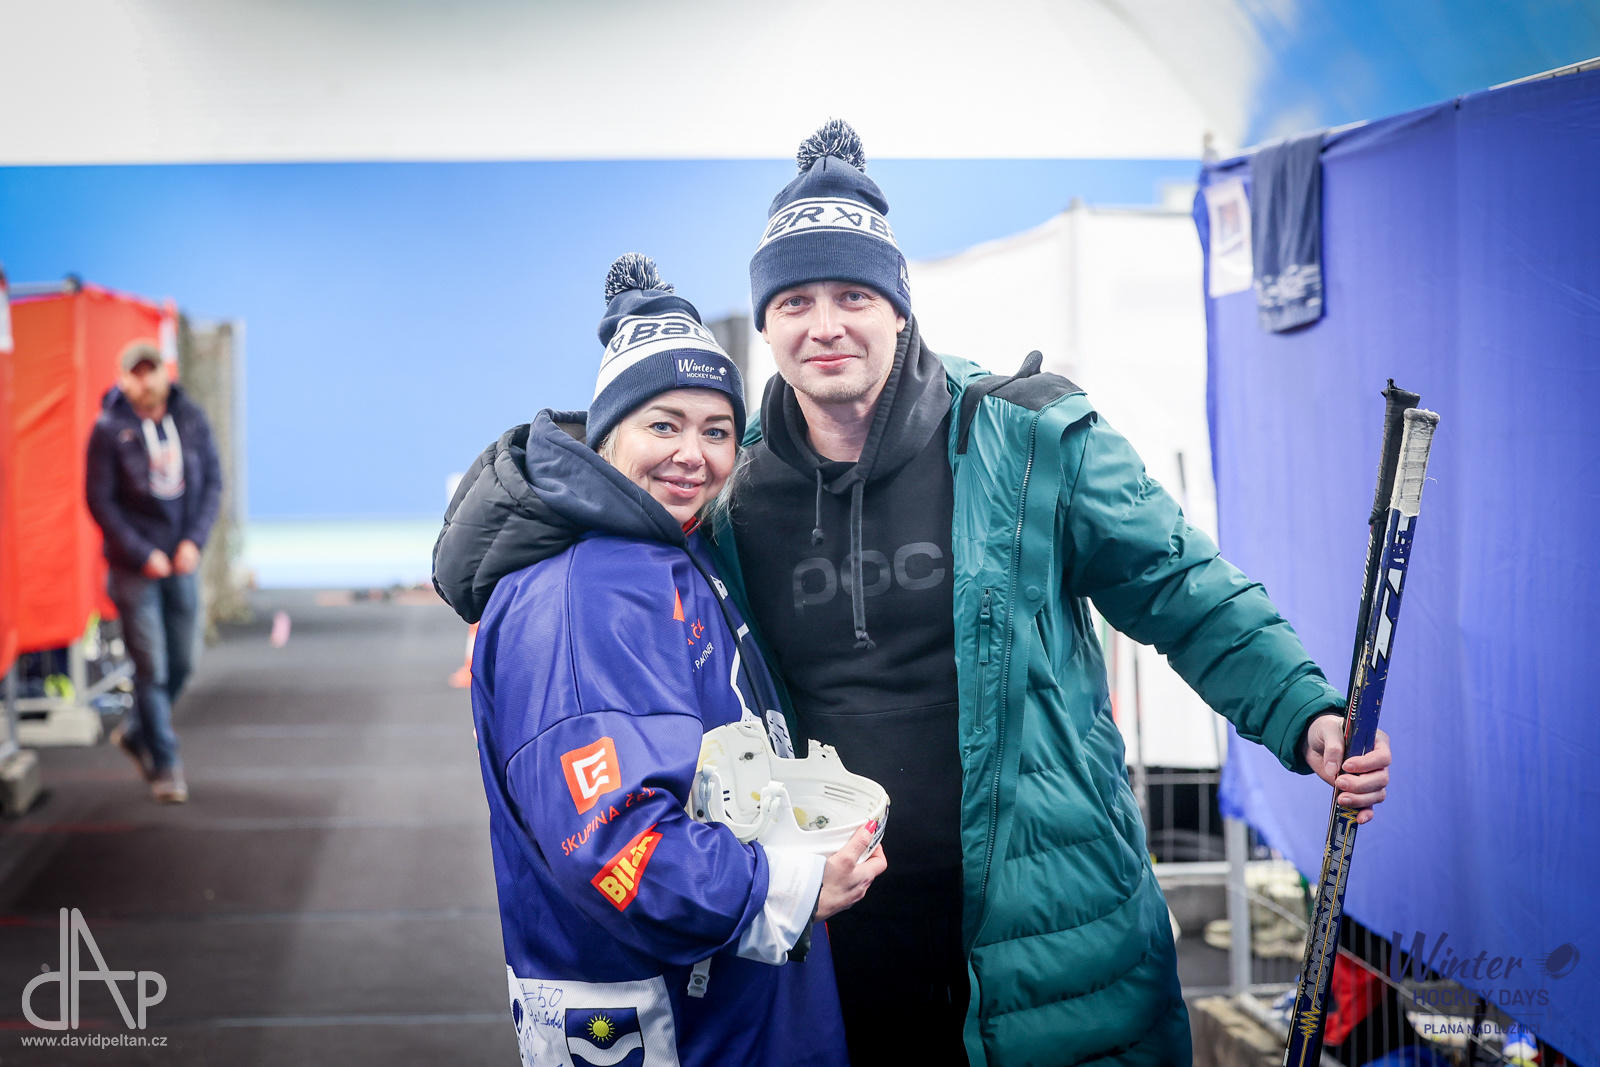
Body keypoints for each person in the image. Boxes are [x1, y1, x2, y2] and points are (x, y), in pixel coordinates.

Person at [710, 120, 1395, 1065]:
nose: (825, 325)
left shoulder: (1029, 440)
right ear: (766, 324)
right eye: (794, 300)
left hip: (1051, 925)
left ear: (899, 308)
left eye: (853, 294)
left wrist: (1301, 707)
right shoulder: (735, 497)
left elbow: (1180, 584)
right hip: (838, 938)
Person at [431, 255, 885, 1066]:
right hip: (668, 1020)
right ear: (609, 435)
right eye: (664, 425)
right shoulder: (580, 596)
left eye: (715, 431)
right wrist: (787, 885)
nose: (692, 454)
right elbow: (612, 842)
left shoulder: (670, 552)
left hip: (726, 1001)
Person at [86, 341, 222, 804]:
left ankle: (135, 731)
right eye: (136, 373)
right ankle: (165, 763)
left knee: (183, 663)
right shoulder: (108, 428)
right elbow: (100, 501)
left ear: (165, 373)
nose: (145, 381)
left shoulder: (191, 418)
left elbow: (213, 483)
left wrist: (193, 542)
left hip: (181, 561)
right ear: (123, 378)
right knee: (152, 668)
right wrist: (142, 552)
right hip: (133, 568)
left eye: (152, 371)